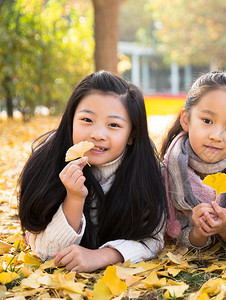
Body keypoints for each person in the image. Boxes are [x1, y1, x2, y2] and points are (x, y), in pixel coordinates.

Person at [18, 71, 166, 272]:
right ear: (70, 120)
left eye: (113, 125)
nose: (97, 134)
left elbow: (153, 239)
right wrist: (74, 198)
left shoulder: (145, 170)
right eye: (87, 120)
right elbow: (45, 252)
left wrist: (102, 256)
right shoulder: (47, 162)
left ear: (131, 135)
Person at [160, 70, 226, 250]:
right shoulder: (167, 173)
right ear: (186, 120)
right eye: (207, 121)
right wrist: (198, 233)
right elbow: (174, 234)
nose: (217, 136)